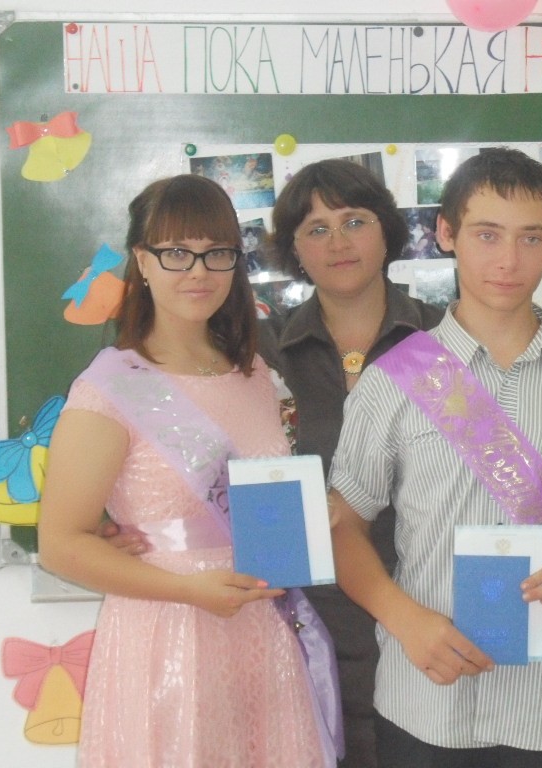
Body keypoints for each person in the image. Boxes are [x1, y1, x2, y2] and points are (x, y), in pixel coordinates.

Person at [327, 147, 542, 767]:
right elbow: (342, 523)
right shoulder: (393, 379)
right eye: (487, 234)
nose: (509, 260)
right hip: (425, 700)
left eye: (530, 238)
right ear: (446, 234)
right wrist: (403, 618)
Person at [38, 174, 336, 767]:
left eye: (216, 252)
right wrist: (189, 590)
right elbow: (60, 545)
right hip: (168, 636)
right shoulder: (110, 386)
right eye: (176, 252)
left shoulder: (254, 375)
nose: (199, 271)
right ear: (142, 262)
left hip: (263, 633)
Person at [259, 159, 445, 768]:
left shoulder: (447, 343)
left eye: (355, 221)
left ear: (387, 231)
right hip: (300, 633)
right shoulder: (259, 356)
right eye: (316, 229)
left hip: (428, 624)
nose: (338, 242)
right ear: (294, 250)